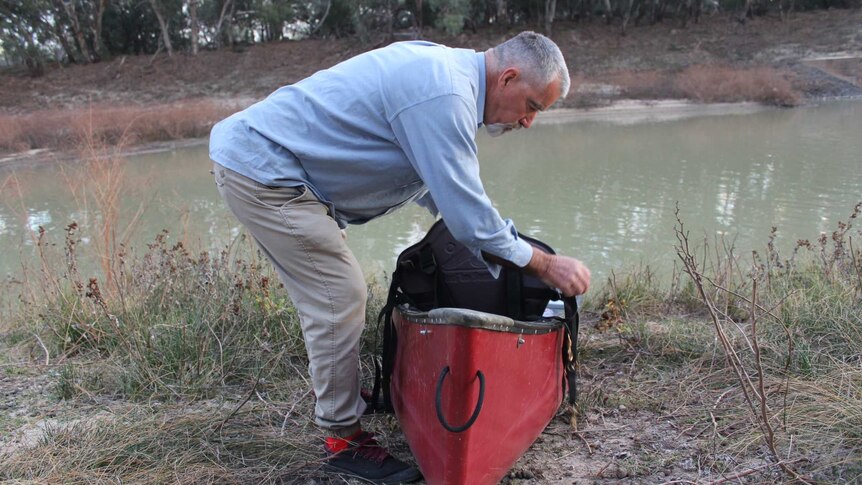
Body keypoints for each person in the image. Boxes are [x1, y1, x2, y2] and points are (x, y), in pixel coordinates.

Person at [209, 31, 591, 484]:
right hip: (264, 170)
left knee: (337, 291)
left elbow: (444, 193)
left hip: (278, 170)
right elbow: (468, 216)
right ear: (508, 78)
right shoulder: (445, 93)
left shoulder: (448, 80)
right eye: (533, 106)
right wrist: (544, 265)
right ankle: (341, 438)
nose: (528, 122)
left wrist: (491, 240)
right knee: (338, 293)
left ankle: (345, 395)